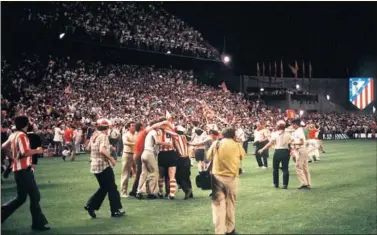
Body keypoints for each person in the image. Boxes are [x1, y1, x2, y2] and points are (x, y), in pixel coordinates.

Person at [1, 115, 50, 231]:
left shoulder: (13, 135)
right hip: (24, 171)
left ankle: (3, 213)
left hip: (19, 171)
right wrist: (38, 150)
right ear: (26, 124)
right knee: (35, 196)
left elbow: (3, 147)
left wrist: (12, 157)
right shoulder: (22, 135)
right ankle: (37, 224)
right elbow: (25, 152)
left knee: (21, 197)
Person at [206, 128, 246, 235]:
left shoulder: (216, 143)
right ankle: (230, 229)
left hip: (217, 178)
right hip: (232, 178)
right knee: (230, 205)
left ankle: (219, 231)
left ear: (223, 134)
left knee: (219, 206)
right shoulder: (237, 145)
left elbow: (208, 156)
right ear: (233, 135)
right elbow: (243, 156)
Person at [85, 118, 125, 218]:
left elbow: (88, 149)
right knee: (112, 188)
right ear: (106, 128)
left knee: (104, 187)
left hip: (94, 166)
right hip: (103, 166)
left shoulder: (94, 135)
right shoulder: (103, 136)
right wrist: (111, 158)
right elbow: (102, 150)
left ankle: (90, 205)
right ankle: (115, 210)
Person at [136, 119, 173, 200]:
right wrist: (168, 144)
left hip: (144, 153)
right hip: (149, 153)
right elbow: (157, 142)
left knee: (143, 173)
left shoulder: (148, 133)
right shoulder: (153, 132)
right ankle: (151, 192)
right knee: (154, 172)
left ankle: (139, 191)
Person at [258, 120, 291, 189]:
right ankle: (285, 185)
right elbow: (291, 143)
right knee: (285, 169)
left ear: (278, 126)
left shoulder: (275, 134)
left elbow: (270, 144)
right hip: (286, 151)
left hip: (278, 152)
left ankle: (276, 184)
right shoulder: (288, 134)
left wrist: (262, 149)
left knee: (275, 169)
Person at [291, 118, 312, 189]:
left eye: (293, 124)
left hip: (301, 149)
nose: (292, 126)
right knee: (305, 167)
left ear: (295, 124)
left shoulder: (298, 131)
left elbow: (302, 142)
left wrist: (293, 143)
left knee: (298, 166)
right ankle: (308, 183)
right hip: (303, 150)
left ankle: (304, 183)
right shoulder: (298, 131)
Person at [174, 126, 193, 200]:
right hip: (187, 158)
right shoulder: (184, 137)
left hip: (181, 159)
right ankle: (191, 193)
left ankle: (186, 190)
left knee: (178, 176)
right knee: (187, 176)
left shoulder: (176, 137)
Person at [120, 121, 136, 198]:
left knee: (137, 173)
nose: (134, 127)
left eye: (134, 126)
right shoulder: (125, 135)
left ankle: (135, 191)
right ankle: (123, 192)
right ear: (128, 127)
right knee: (125, 173)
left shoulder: (137, 134)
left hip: (136, 154)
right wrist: (135, 143)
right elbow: (125, 142)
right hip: (127, 154)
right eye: (132, 126)